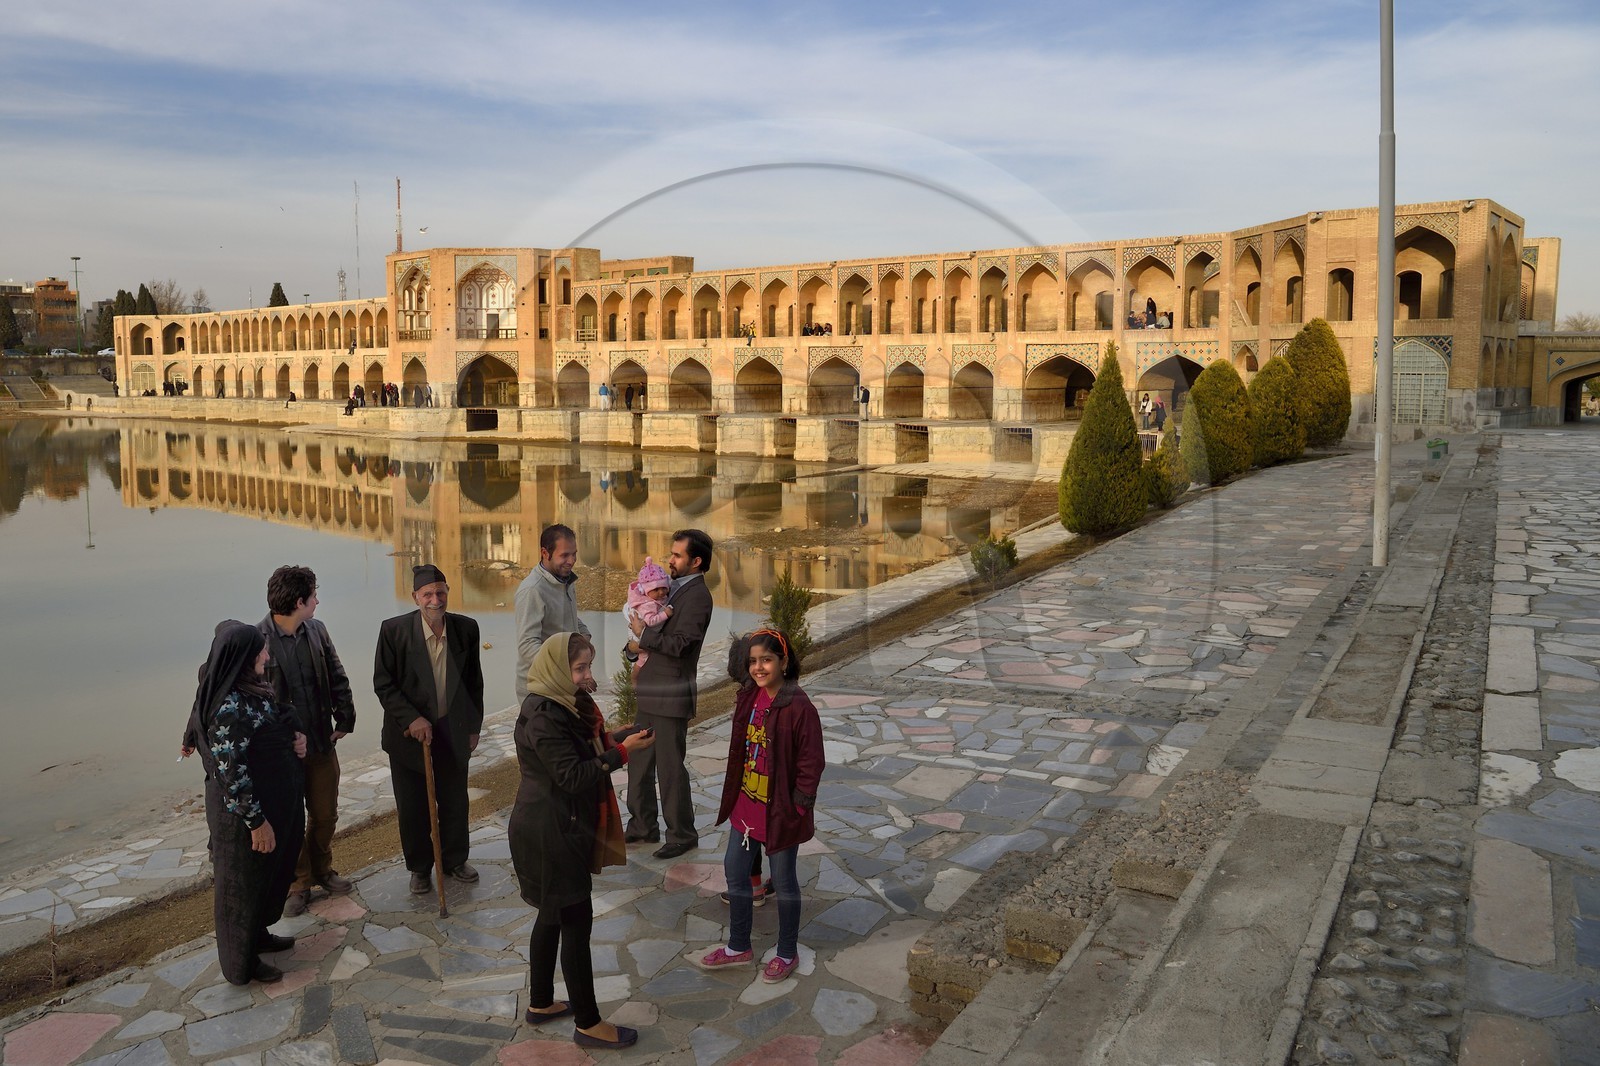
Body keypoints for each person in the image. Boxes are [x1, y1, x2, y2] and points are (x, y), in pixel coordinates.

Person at [511, 633, 656, 1050]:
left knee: (552, 915)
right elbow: (573, 775)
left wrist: (616, 738)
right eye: (579, 668)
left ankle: (540, 1003)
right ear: (557, 668)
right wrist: (621, 754)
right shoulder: (544, 715)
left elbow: (580, 750)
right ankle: (589, 1024)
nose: (586, 677)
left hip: (554, 824)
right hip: (550, 832)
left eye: (588, 666)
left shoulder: (560, 704)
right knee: (574, 921)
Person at [182, 621, 307, 985]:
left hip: (272, 804)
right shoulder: (227, 705)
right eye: (261, 651)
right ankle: (243, 962)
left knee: (266, 879)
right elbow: (232, 774)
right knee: (242, 886)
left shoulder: (248, 685)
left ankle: (259, 935)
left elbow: (277, 712)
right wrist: (257, 823)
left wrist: (296, 732)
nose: (267, 656)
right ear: (243, 657)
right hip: (243, 819)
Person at [695, 629, 823, 984]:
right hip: (746, 807)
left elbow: (811, 764)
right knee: (735, 872)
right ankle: (739, 946)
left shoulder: (798, 706)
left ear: (783, 661)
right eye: (752, 661)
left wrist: (798, 809)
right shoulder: (749, 697)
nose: (758, 667)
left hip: (780, 812)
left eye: (766, 660)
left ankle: (786, 951)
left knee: (783, 882)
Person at [374, 564, 486, 894]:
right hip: (408, 735)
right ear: (415, 597)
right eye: (427, 594)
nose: (435, 600)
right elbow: (384, 684)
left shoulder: (466, 629)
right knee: (413, 805)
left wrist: (474, 726)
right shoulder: (394, 631)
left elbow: (473, 681)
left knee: (454, 800)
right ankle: (420, 868)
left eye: (440, 592)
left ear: (448, 592)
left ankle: (454, 860)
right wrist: (412, 719)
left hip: (453, 728)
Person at [258, 565, 357, 918]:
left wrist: (346, 715)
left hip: (319, 740)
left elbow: (336, 673)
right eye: (314, 595)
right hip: (281, 753)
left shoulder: (317, 630)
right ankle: (298, 883)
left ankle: (322, 869)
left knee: (325, 813)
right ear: (300, 601)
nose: (318, 601)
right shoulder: (257, 641)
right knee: (289, 820)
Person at [625, 528, 714, 859]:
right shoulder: (668, 591)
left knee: (669, 768)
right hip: (651, 689)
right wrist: (634, 649)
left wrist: (643, 637)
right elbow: (648, 632)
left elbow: (681, 645)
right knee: (639, 760)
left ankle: (681, 834)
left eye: (677, 555)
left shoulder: (698, 597)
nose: (670, 560)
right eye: (671, 554)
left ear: (696, 561)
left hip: (671, 692)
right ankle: (642, 827)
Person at [515, 524, 591, 703]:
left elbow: (568, 617)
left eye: (574, 554)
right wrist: (569, 667)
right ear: (545, 553)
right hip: (541, 690)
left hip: (564, 683)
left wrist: (584, 642)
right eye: (564, 555)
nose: (571, 561)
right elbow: (527, 646)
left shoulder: (564, 580)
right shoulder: (533, 590)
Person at [622, 558, 673, 680]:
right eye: (655, 589)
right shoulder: (647, 604)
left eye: (663, 588)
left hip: (643, 633)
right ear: (646, 590)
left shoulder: (656, 598)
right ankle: (634, 678)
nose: (661, 592)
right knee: (643, 658)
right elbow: (650, 620)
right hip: (639, 635)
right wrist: (666, 615)